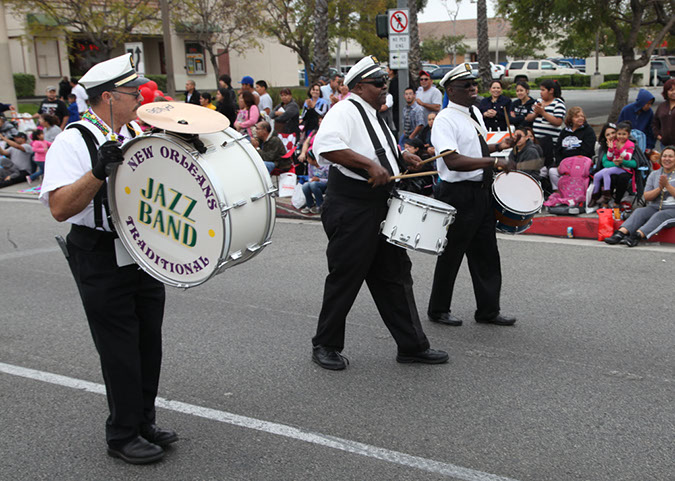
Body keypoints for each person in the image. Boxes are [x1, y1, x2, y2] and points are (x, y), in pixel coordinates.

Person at [38, 53, 177, 465]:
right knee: (119, 348)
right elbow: (60, 208)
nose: (140, 97)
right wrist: (98, 171)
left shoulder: (135, 129)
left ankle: (143, 421)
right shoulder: (73, 140)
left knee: (148, 342)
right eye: (132, 92)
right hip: (99, 251)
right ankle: (121, 434)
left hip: (141, 249)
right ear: (108, 98)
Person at [311, 55, 449, 370]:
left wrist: (402, 157)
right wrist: (370, 166)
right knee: (345, 278)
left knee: (395, 276)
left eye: (385, 82)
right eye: (378, 83)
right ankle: (324, 345)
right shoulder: (344, 109)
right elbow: (326, 147)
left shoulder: (374, 113)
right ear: (359, 86)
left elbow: (376, 149)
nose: (385, 88)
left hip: (379, 204)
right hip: (352, 206)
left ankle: (412, 346)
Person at [427, 63, 518, 328]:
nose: (473, 88)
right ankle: (439, 309)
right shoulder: (444, 118)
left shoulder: (474, 112)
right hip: (458, 194)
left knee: (487, 253)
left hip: (480, 192)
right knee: (452, 254)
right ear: (451, 90)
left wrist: (498, 147)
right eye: (466, 85)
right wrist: (493, 162)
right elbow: (453, 160)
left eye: (473, 83)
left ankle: (488, 310)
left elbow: (475, 149)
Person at [604, 145, 675, 246]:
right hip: (655, 207)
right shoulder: (654, 174)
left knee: (660, 215)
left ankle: (636, 236)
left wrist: (667, 186)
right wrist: (659, 189)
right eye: (664, 156)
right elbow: (646, 196)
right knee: (640, 211)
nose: (667, 159)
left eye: (671, 156)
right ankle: (620, 233)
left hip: (672, 210)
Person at [526, 79, 566, 193]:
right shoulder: (538, 102)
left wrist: (543, 113)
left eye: (543, 90)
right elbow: (528, 118)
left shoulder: (558, 103)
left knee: (547, 166)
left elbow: (558, 122)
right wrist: (536, 113)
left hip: (550, 142)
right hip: (536, 141)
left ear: (551, 91)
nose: (541, 93)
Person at [549, 106, 596, 191]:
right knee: (552, 171)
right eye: (577, 116)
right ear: (571, 119)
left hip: (580, 163)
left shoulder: (588, 131)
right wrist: (560, 164)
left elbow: (587, 151)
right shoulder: (564, 131)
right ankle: (559, 192)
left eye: (582, 116)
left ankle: (574, 193)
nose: (580, 118)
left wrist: (572, 163)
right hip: (564, 163)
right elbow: (558, 150)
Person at [590, 121, 635, 207]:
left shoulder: (629, 144)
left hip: (625, 169)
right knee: (598, 176)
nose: (611, 136)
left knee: (619, 177)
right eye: (608, 135)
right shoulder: (605, 147)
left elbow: (633, 162)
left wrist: (621, 159)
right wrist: (610, 149)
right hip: (613, 169)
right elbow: (607, 161)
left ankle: (610, 198)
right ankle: (595, 197)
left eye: (613, 133)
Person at [652, 78, 675, 149]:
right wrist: (658, 135)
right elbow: (655, 123)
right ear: (666, 92)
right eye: (671, 90)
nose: (674, 92)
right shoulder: (662, 106)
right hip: (664, 145)